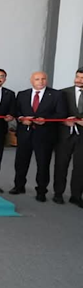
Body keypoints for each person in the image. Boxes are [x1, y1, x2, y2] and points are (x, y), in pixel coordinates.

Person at [10, 71, 66, 202]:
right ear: (31, 80)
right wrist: (22, 118)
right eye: (37, 79)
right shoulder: (22, 94)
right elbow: (16, 111)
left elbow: (61, 114)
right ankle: (19, 186)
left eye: (43, 79)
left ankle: (41, 191)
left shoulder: (56, 95)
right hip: (25, 133)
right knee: (21, 162)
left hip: (45, 135)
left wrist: (46, 120)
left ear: (47, 80)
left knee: (43, 164)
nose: (40, 81)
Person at [54, 68, 83, 207]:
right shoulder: (63, 93)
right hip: (65, 134)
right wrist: (64, 121)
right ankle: (58, 193)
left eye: (82, 78)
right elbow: (56, 113)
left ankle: (76, 196)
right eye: (77, 77)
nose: (79, 80)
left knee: (80, 166)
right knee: (61, 164)